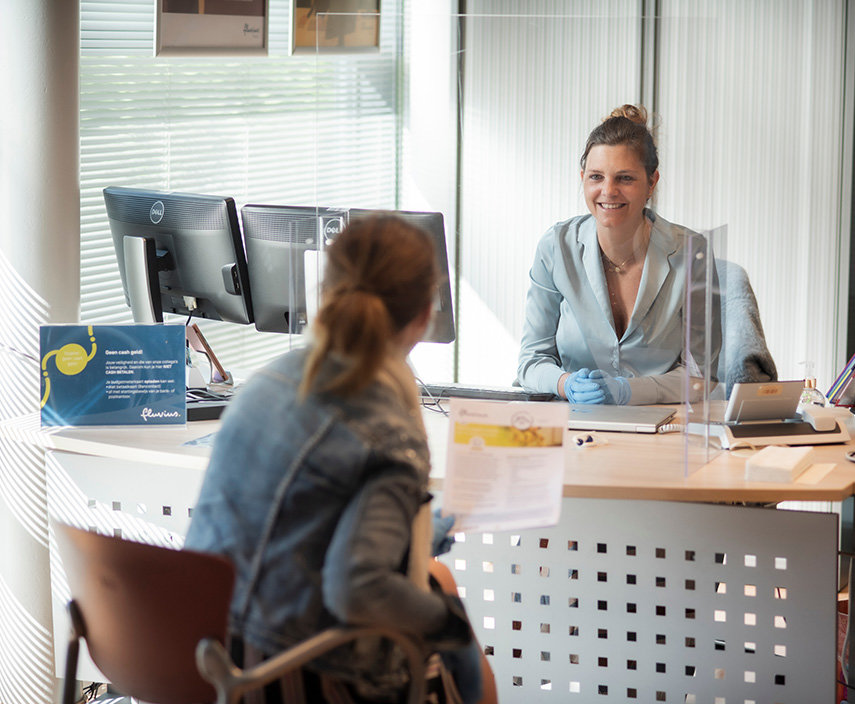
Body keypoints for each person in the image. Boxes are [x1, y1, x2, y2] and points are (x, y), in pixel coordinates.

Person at [186, 215, 496, 704]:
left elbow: (298, 521)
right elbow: (357, 587)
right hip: (294, 676)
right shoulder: (389, 435)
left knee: (436, 579)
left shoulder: (268, 380)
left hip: (204, 651)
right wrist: (450, 625)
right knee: (455, 631)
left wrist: (415, 535)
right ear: (424, 314)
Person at [517, 104, 720, 405]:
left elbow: (702, 376)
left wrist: (628, 391)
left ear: (652, 183)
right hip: (573, 424)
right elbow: (531, 361)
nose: (608, 191)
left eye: (625, 178)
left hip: (661, 426)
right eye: (596, 177)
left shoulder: (691, 252)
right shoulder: (556, 247)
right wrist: (566, 383)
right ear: (583, 178)